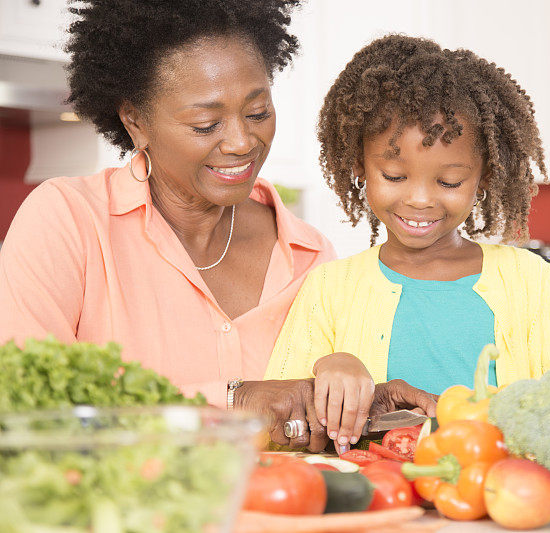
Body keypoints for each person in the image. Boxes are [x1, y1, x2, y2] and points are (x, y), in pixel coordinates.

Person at [0, 2, 435, 452]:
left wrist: (363, 409)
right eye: (206, 124)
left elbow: (319, 424)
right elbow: (24, 416)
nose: (242, 142)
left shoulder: (310, 255)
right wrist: (235, 400)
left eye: (258, 112)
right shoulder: (67, 221)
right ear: (135, 121)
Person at [266, 35, 550, 453]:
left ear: (484, 178)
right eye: (394, 176)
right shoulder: (329, 288)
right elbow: (278, 433)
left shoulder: (530, 280)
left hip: (494, 506)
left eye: (449, 181)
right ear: (360, 167)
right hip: (379, 509)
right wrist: (325, 371)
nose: (420, 198)